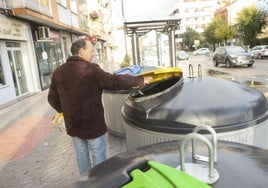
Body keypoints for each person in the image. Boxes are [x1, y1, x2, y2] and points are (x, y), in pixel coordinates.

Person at [47, 38, 151, 176]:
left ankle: (86, 183)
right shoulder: (91, 69)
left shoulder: (59, 71)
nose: (93, 54)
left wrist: (64, 110)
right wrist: (140, 80)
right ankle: (100, 183)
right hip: (93, 125)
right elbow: (114, 81)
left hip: (74, 125)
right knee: (98, 158)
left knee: (81, 155)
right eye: (91, 51)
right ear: (81, 51)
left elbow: (52, 98)